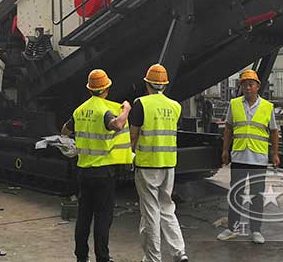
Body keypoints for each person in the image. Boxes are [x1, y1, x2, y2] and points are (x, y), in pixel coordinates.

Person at [61, 69, 132, 262]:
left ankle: (81, 257)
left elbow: (65, 131)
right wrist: (126, 109)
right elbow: (117, 125)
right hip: (104, 173)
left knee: (84, 217)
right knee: (102, 217)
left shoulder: (80, 110)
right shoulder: (104, 110)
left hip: (84, 172)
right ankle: (102, 257)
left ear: (89, 89)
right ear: (106, 89)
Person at [129, 64, 188, 262]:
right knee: (167, 208)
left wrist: (129, 157)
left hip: (147, 165)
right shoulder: (175, 106)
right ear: (164, 85)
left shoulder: (141, 104)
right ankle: (179, 253)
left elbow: (133, 137)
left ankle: (154, 258)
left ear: (147, 83)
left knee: (151, 213)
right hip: (169, 164)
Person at [218, 69, 280, 243]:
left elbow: (274, 132)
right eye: (245, 84)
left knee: (256, 196)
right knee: (236, 194)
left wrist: (275, 154)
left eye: (251, 84)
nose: (248, 87)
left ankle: (256, 230)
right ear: (241, 86)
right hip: (238, 156)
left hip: (258, 158)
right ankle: (232, 228)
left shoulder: (267, 107)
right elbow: (228, 128)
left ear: (258, 87)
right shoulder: (234, 104)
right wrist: (225, 150)